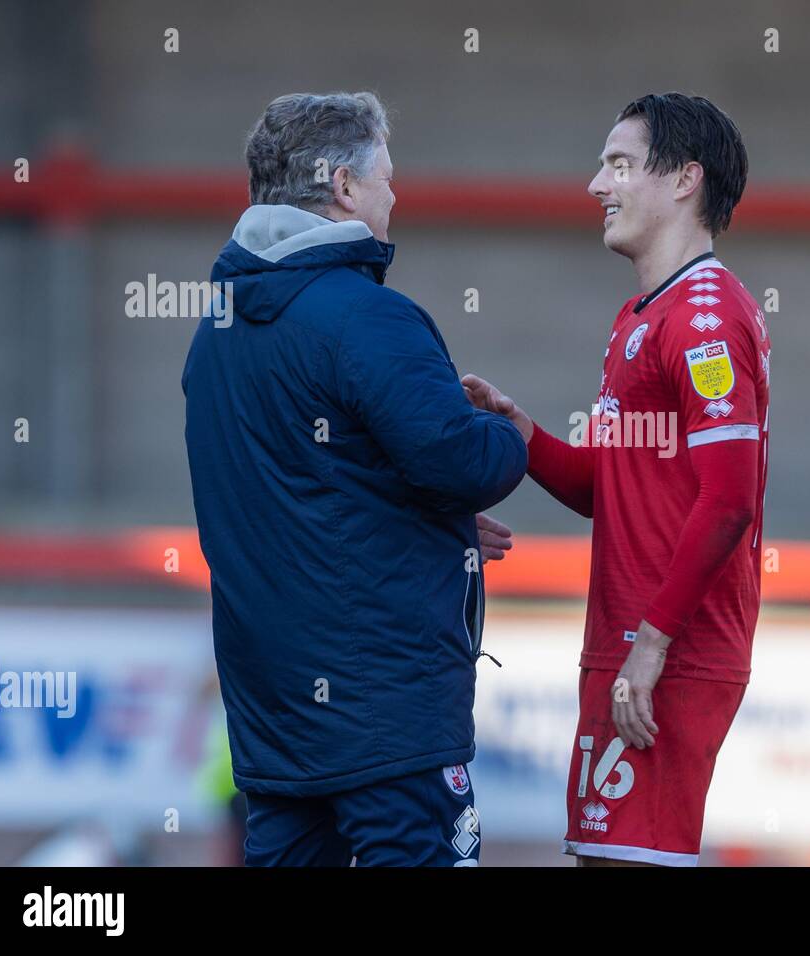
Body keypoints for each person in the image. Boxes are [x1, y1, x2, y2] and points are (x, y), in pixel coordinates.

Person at [182, 91, 527, 866]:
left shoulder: (215, 335)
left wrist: (414, 521)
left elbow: (289, 493)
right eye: (386, 177)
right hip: (389, 722)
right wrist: (509, 431)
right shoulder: (367, 317)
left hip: (274, 724)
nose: (394, 195)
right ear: (342, 185)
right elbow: (461, 460)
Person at [463, 92, 769, 866]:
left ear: (684, 182)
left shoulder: (705, 315)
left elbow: (729, 500)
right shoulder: (639, 315)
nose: (597, 186)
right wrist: (520, 430)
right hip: (627, 642)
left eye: (619, 165)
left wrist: (654, 644)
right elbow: (608, 489)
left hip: (670, 648)